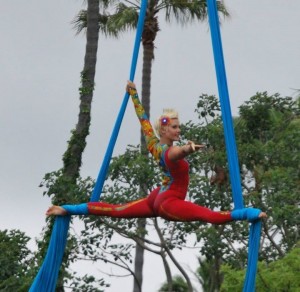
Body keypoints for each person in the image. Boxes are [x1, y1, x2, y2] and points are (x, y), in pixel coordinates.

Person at [46, 81, 267, 223]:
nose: (178, 130)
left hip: (156, 197)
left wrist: (133, 95)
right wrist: (189, 148)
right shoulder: (167, 152)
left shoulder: (153, 143)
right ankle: (247, 213)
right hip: (167, 202)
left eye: (179, 127)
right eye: (174, 127)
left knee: (115, 209)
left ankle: (67, 209)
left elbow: (143, 121)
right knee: (207, 215)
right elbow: (176, 155)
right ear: (164, 129)